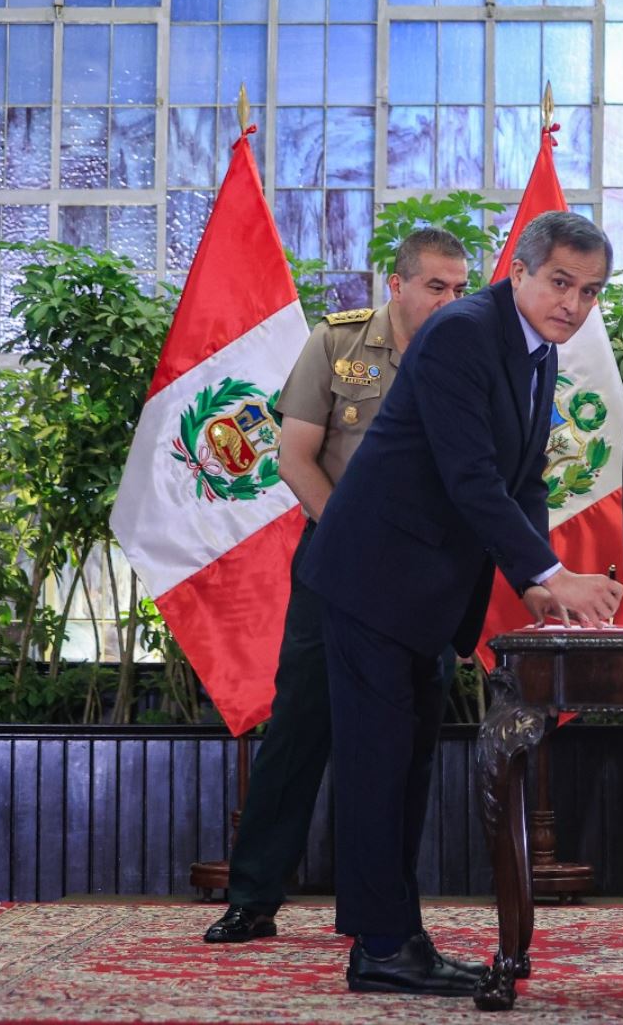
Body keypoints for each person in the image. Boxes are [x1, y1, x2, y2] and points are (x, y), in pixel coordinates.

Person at [297, 210, 623, 996]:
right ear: (519, 270)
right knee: (379, 765)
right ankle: (381, 945)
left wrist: (542, 585)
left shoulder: (539, 351)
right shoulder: (462, 333)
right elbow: (469, 476)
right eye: (560, 283)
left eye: (590, 291)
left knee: (405, 765)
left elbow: (524, 482)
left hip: (429, 591)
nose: (573, 304)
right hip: (375, 577)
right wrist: (548, 569)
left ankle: (389, 936)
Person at [203, 228, 469, 945]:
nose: (449, 300)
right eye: (435, 285)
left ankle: (381, 908)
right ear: (397, 284)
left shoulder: (471, 351)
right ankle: (253, 894)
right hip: (340, 562)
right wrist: (357, 542)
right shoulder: (339, 342)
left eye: (460, 287)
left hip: (426, 574)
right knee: (300, 727)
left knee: (407, 738)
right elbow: (294, 457)